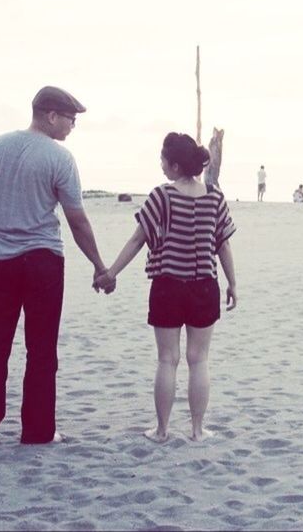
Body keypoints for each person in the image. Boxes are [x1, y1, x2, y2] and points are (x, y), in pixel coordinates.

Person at [0, 86, 113, 446]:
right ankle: (38, 431)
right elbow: (76, 220)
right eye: (70, 119)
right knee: (42, 348)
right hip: (42, 261)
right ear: (51, 115)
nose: (72, 127)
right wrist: (98, 264)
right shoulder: (60, 158)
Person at [97, 133, 237, 443]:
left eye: (163, 161)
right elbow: (223, 245)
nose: (161, 166)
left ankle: (161, 431)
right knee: (199, 360)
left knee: (167, 359)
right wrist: (232, 283)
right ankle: (198, 430)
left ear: (175, 165)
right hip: (204, 286)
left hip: (167, 286)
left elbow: (138, 239)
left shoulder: (161, 196)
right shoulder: (215, 197)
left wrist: (111, 273)